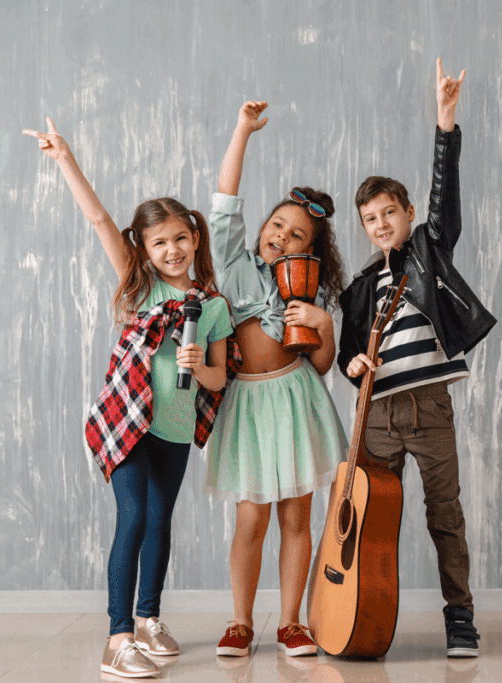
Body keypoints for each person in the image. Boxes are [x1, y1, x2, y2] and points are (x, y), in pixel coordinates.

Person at [24, 118, 236, 678]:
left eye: (181, 238)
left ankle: (147, 619)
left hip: (172, 424)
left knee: (161, 521)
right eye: (159, 241)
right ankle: (117, 639)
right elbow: (97, 217)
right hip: (127, 423)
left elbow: (219, 378)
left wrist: (199, 367)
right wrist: (65, 158)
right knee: (135, 515)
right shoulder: (139, 287)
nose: (172, 250)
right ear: (142, 248)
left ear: (195, 238)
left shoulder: (211, 306)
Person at [337, 59, 496, 658]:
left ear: (406, 216)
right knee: (372, 520)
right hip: (376, 415)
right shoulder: (360, 289)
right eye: (370, 220)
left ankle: (460, 617)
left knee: (443, 514)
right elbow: (349, 354)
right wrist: (352, 365)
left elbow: (443, 194)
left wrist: (445, 121)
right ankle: (362, 612)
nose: (381, 225)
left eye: (389, 214)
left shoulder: (429, 250)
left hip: (428, 407)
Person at [206, 101, 348, 658]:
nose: (282, 238)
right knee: (250, 520)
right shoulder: (237, 266)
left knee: (298, 516)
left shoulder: (304, 288)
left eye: (296, 236)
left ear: (309, 250)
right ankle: (241, 621)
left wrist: (323, 325)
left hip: (296, 400)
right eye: (277, 226)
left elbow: (319, 365)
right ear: (261, 227)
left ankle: (291, 622)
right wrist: (241, 130)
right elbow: (223, 207)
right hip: (248, 404)